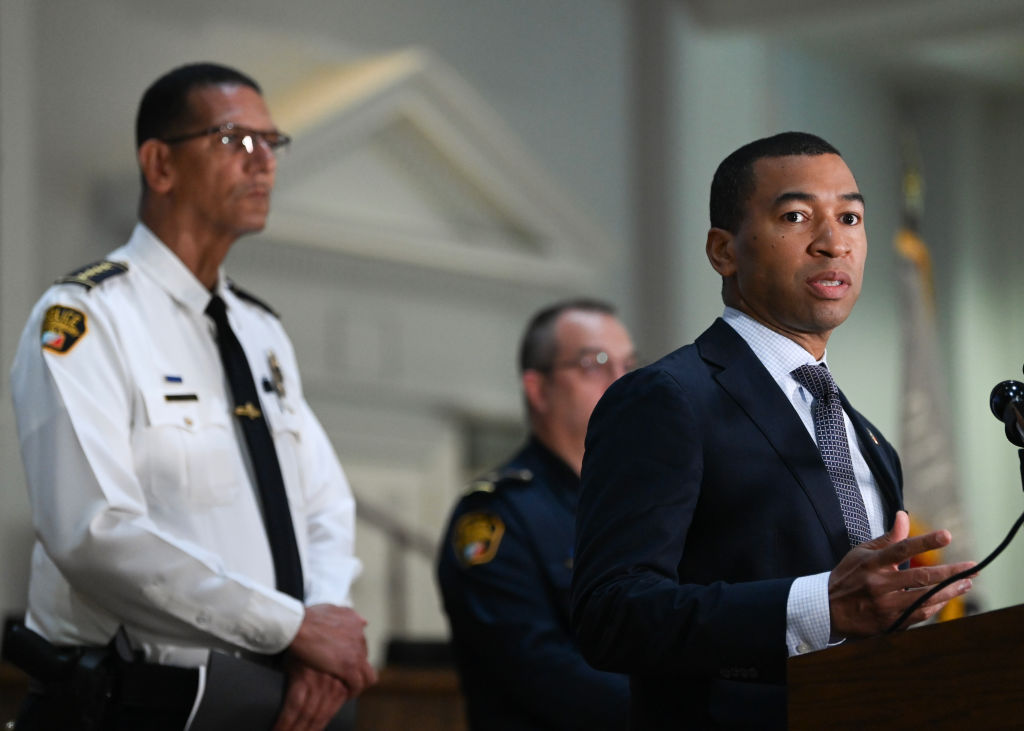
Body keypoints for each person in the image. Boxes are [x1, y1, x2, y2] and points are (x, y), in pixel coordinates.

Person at [8, 62, 376, 730]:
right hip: (131, 705)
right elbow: (92, 532)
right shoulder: (87, 318)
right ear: (160, 164)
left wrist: (320, 635)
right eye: (236, 140)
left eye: (273, 143)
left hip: (266, 700)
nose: (264, 162)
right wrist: (290, 626)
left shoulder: (260, 333)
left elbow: (325, 506)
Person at [570, 132, 977, 729]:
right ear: (723, 251)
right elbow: (611, 615)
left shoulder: (868, 439)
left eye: (850, 217)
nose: (832, 242)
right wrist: (818, 607)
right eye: (795, 216)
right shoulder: (668, 400)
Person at [437, 299, 635, 730]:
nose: (621, 381)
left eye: (628, 364)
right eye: (595, 363)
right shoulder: (496, 514)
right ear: (538, 389)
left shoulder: (639, 501)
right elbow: (539, 670)